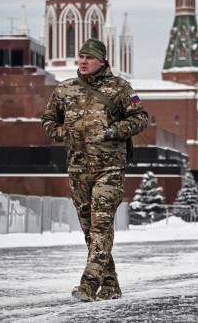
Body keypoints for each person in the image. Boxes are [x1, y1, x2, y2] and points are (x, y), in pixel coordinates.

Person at [41, 38, 148, 301]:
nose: (83, 61)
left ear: (102, 61)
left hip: (110, 167)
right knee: (90, 230)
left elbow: (140, 117)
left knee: (101, 225)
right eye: (81, 57)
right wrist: (63, 133)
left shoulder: (121, 88)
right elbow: (47, 120)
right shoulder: (64, 90)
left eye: (89, 57)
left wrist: (113, 131)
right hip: (78, 168)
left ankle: (88, 284)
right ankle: (110, 285)